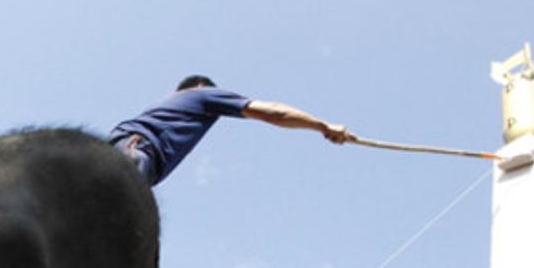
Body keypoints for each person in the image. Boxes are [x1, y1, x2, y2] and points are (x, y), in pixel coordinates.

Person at [109, 74, 355, 186]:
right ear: (203, 85)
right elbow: (274, 112)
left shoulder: (172, 107)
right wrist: (324, 126)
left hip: (130, 151)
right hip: (136, 150)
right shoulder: (202, 93)